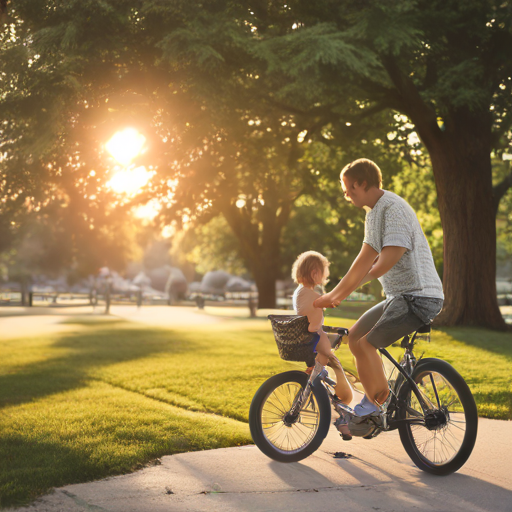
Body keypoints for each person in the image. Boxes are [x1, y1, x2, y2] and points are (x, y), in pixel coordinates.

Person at [313, 159, 444, 417]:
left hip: (419, 296)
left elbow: (384, 262)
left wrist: (341, 293)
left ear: (362, 183)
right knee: (355, 336)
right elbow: (363, 260)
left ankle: (376, 406)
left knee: (368, 343)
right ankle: (373, 403)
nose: (346, 194)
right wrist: (334, 294)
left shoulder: (393, 208)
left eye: (349, 188)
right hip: (400, 298)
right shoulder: (373, 212)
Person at [291, 251, 353, 406]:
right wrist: (342, 294)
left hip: (308, 334)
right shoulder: (311, 295)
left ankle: (317, 371)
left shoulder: (299, 292)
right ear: (314, 273)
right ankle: (339, 394)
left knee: (326, 359)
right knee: (330, 357)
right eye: (324, 273)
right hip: (316, 335)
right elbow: (329, 301)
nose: (326, 277)